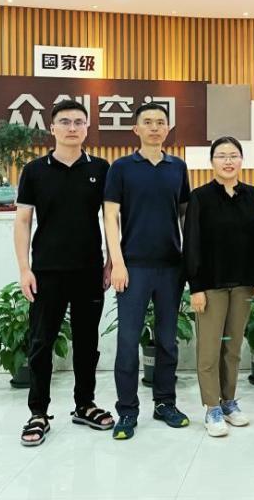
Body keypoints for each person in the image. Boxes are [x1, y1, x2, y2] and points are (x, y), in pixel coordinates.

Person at [14, 99, 114, 446]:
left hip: (89, 270)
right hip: (46, 271)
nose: (72, 128)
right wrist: (24, 268)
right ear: (52, 128)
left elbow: (111, 218)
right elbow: (23, 221)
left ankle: (84, 404)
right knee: (41, 343)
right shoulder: (34, 171)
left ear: (87, 128)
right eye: (65, 122)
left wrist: (111, 260)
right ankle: (38, 412)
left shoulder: (101, 168)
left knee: (87, 342)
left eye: (78, 122)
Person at [104, 102, 192, 440]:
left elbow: (185, 215)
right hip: (133, 267)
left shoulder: (177, 167)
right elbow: (110, 216)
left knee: (167, 341)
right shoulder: (122, 168)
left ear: (167, 129)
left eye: (160, 122)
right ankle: (127, 411)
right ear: (136, 129)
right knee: (128, 342)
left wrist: (189, 259)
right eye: (148, 122)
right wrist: (117, 262)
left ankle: (165, 403)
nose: (154, 127)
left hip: (171, 267)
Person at [183, 136, 254, 437]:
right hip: (211, 286)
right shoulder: (200, 197)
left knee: (232, 348)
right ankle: (211, 407)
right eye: (221, 155)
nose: (228, 161)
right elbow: (192, 243)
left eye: (233, 155)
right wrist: (195, 287)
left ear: (242, 160)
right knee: (209, 349)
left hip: (243, 286)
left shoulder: (252, 195)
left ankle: (229, 401)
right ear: (212, 162)